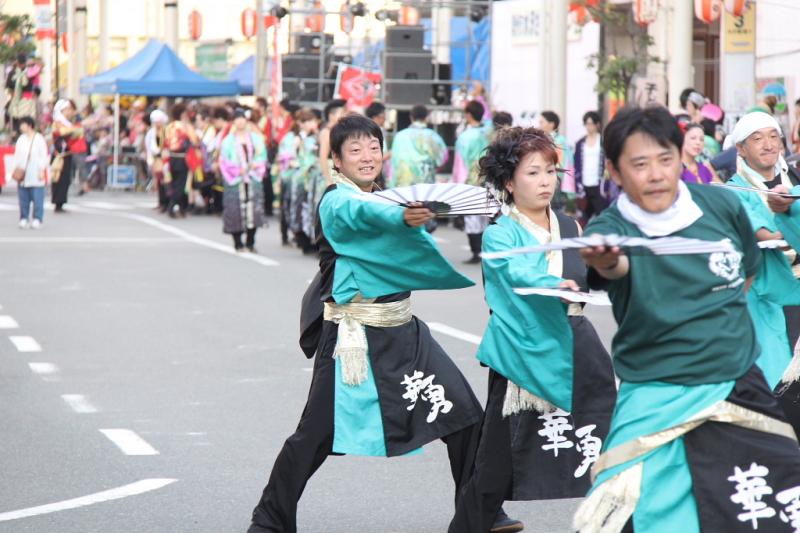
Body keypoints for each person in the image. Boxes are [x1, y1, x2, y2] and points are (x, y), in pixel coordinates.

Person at [246, 114, 484, 533]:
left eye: (374, 147)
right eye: (355, 149)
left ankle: (478, 516)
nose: (367, 156)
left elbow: (382, 213)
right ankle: (269, 520)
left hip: (404, 334)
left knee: (465, 415)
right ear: (337, 160)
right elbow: (362, 213)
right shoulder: (338, 201)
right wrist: (400, 217)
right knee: (316, 435)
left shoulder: (387, 198)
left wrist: (401, 213)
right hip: (352, 338)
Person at [573, 106, 800, 533]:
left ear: (681, 157)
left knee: (775, 501)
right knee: (629, 512)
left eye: (665, 159)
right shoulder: (610, 229)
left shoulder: (722, 205)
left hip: (734, 382)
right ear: (615, 171)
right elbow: (613, 265)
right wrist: (608, 261)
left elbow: (748, 273)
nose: (656, 174)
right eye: (640, 164)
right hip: (656, 390)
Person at [449, 127, 616, 533]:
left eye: (550, 171)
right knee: (495, 464)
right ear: (509, 182)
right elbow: (516, 271)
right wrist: (552, 284)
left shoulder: (571, 227)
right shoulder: (500, 233)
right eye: (533, 172)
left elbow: (594, 278)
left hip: (578, 345)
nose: (545, 181)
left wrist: (610, 265)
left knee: (609, 443)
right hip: (523, 353)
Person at [724, 111, 800, 424]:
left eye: (773, 136)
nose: (768, 144)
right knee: (776, 382)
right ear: (741, 149)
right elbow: (765, 235)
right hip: (767, 298)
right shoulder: (735, 190)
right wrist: (788, 217)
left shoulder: (793, 180)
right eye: (757, 139)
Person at [218, 109, 267, 252]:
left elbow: (262, 155)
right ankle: (237, 242)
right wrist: (237, 170)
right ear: (233, 121)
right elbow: (224, 160)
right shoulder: (228, 141)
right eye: (237, 118)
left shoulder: (256, 138)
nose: (240, 121)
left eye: (242, 118)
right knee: (234, 209)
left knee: (254, 209)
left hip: (252, 177)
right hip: (235, 179)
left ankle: (251, 241)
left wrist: (255, 165)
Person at [454, 100, 491, 263]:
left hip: (471, 180)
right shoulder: (489, 134)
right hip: (490, 179)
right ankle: (487, 249)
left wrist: (457, 183)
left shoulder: (465, 137)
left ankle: (477, 251)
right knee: (488, 215)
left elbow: (460, 164)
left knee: (472, 217)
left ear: (468, 115)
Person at [390, 104, 448, 188]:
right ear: (426, 118)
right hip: (426, 185)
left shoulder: (399, 136)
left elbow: (394, 162)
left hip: (403, 186)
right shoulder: (433, 136)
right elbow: (443, 159)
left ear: (411, 117)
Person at [12, 116, 49, 229]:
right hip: (23, 172)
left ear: (29, 125)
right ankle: (24, 218)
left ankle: (37, 218)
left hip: (35, 171)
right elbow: (17, 155)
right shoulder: (21, 139)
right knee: (23, 198)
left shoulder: (39, 139)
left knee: (38, 197)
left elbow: (43, 155)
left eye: (23, 124)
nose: (21, 127)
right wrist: (15, 169)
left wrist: (42, 169)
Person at [164, 103, 199, 218]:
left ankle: (181, 207)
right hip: (183, 158)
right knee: (181, 184)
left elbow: (165, 143)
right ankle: (172, 206)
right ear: (183, 114)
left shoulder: (169, 127)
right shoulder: (186, 127)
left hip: (171, 157)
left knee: (174, 183)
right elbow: (195, 141)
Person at [51, 99, 86, 212]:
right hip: (59, 155)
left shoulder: (68, 123)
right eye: (67, 109)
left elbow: (78, 133)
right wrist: (75, 130)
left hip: (67, 154)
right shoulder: (58, 122)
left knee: (66, 179)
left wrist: (75, 130)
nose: (70, 112)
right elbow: (62, 132)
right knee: (58, 179)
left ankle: (61, 202)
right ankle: (57, 202)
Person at [574, 111, 607, 224]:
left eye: (591, 124)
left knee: (601, 213)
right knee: (583, 216)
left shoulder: (603, 141)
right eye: (586, 124)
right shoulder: (580, 143)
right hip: (584, 184)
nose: (589, 127)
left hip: (599, 184)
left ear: (597, 124)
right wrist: (577, 183)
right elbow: (576, 164)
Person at [5, 53, 39, 134]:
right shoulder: (14, 72)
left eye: (22, 63)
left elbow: (35, 85)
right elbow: (8, 86)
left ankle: (23, 134)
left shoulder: (29, 71)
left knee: (24, 119)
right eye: (21, 63)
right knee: (18, 118)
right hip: (19, 99)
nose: (21, 65)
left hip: (26, 99)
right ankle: (17, 134)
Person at [317, 99, 347, 186]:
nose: (344, 116)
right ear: (331, 116)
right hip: (329, 173)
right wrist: (328, 179)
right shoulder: (327, 132)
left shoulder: (335, 131)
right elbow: (323, 157)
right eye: (342, 113)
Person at [145, 109, 169, 212]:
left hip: (165, 159)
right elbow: (148, 146)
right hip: (156, 159)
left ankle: (167, 202)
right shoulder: (151, 132)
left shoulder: (167, 131)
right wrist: (150, 159)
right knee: (158, 181)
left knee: (166, 181)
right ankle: (161, 202)